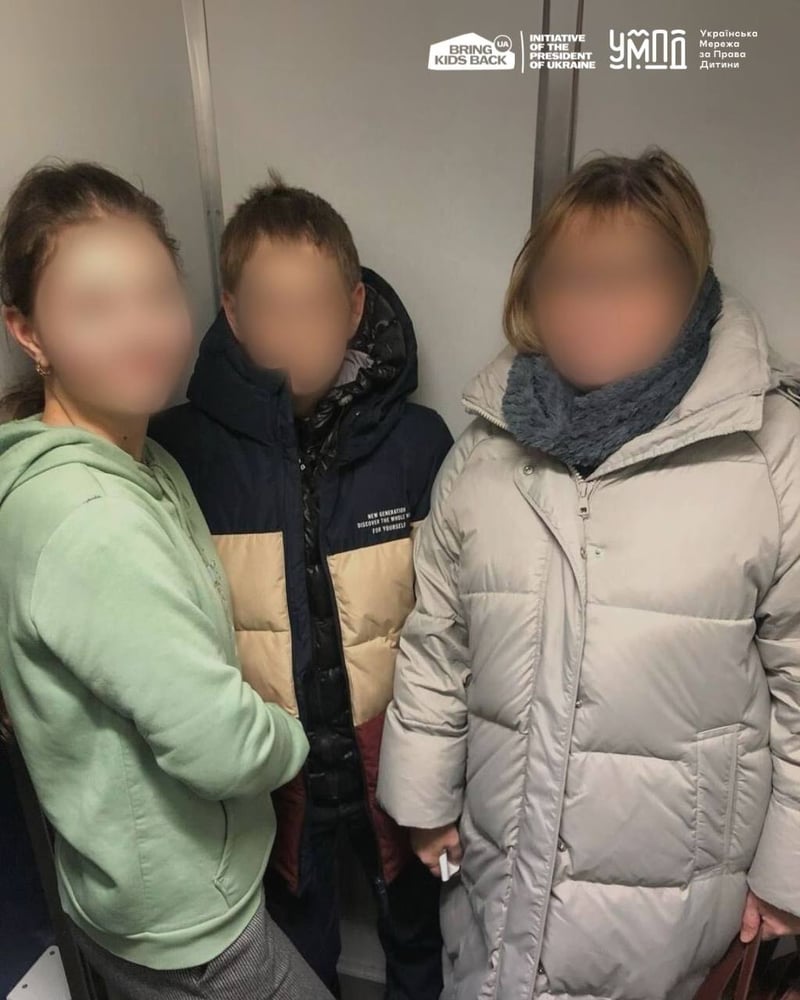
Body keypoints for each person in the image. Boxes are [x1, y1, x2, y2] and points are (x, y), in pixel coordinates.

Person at [377, 147, 800, 1000]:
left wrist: (786, 879)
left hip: (676, 911)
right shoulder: (484, 453)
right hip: (495, 880)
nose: (592, 307)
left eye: (630, 277)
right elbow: (436, 642)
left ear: (691, 288)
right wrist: (422, 804)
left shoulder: (771, 455)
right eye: (568, 278)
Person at [0, 161, 333, 1000]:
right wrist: (293, 738)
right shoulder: (89, 515)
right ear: (28, 331)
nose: (139, 332)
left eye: (154, 295)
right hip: (188, 921)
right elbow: (216, 744)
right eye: (94, 308)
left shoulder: (142, 459)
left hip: (146, 883)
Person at [149, 170, 452, 999]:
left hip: (395, 756)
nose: (294, 331)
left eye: (314, 306)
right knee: (296, 956)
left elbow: (453, 626)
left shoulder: (419, 444)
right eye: (270, 308)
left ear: (353, 308)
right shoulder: (181, 451)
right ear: (233, 314)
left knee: (423, 938)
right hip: (270, 772)